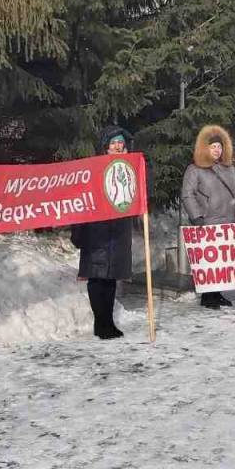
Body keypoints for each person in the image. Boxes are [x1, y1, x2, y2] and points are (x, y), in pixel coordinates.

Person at [70, 126, 134, 339]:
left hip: (118, 232)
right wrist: (78, 230)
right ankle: (101, 323)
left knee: (111, 279)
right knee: (97, 278)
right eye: (114, 142)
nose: (118, 145)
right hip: (96, 231)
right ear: (106, 146)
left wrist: (130, 164)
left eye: (121, 142)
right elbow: (80, 198)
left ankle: (108, 323)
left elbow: (142, 191)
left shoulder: (130, 168)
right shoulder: (93, 168)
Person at [181, 125, 235, 309]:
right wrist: (197, 216)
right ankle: (207, 296)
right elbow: (188, 194)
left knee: (223, 263)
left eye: (219, 147)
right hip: (207, 222)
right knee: (209, 262)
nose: (217, 150)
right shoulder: (194, 169)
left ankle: (217, 294)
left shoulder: (229, 169)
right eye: (213, 147)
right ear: (205, 148)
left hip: (228, 221)